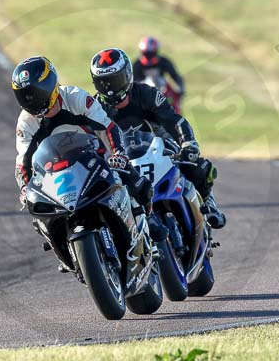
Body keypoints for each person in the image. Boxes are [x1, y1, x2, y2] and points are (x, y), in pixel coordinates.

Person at [12, 55, 167, 244]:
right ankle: (61, 246)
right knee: (37, 209)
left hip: (95, 158)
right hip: (57, 173)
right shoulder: (26, 121)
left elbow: (108, 127)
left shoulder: (75, 97)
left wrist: (118, 154)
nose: (30, 100)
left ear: (50, 86)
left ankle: (148, 217)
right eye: (25, 95)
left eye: (34, 93)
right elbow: (23, 162)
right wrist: (24, 189)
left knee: (133, 179)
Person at [90, 47, 226, 230]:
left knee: (199, 167)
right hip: (122, 161)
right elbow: (88, 140)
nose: (110, 88)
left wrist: (188, 144)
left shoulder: (147, 94)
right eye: (103, 82)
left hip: (159, 145)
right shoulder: (93, 108)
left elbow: (174, 120)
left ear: (128, 74)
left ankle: (208, 203)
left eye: (114, 80)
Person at [132, 36, 185, 111]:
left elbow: (175, 76)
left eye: (151, 53)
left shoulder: (164, 62)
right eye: (146, 53)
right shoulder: (137, 65)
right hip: (144, 92)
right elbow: (132, 82)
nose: (149, 57)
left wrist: (180, 89)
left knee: (175, 106)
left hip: (163, 89)